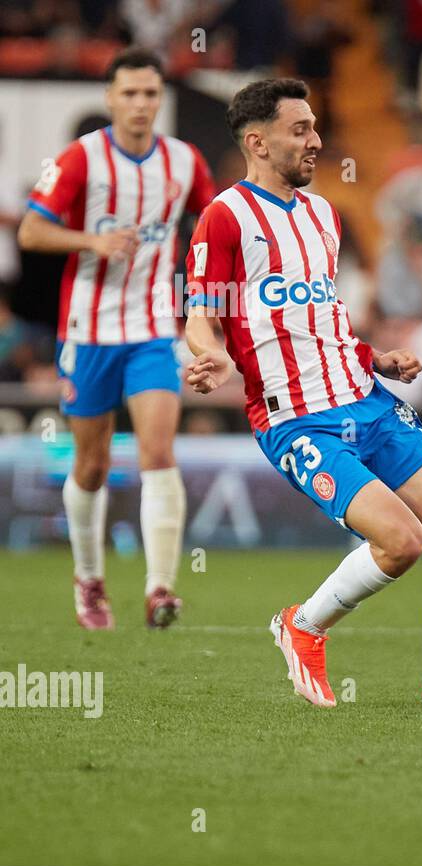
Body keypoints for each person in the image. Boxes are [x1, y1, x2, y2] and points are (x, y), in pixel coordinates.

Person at [182, 78, 422, 709]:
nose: (317, 141)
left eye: (316, 128)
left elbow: (318, 314)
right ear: (257, 142)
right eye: (301, 131)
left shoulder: (324, 215)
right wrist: (207, 355)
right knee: (400, 541)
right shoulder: (225, 216)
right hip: (297, 420)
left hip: (364, 396)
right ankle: (303, 626)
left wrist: (375, 357)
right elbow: (203, 313)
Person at [16, 47, 215, 630]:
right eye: (129, 93)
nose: (140, 104)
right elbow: (30, 231)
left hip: (154, 328)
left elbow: (211, 225)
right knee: (92, 465)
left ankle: (160, 589)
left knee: (157, 451)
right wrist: (91, 242)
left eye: (150, 93)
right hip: (88, 329)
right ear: (109, 98)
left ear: (161, 98)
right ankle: (90, 577)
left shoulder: (184, 162)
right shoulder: (81, 160)